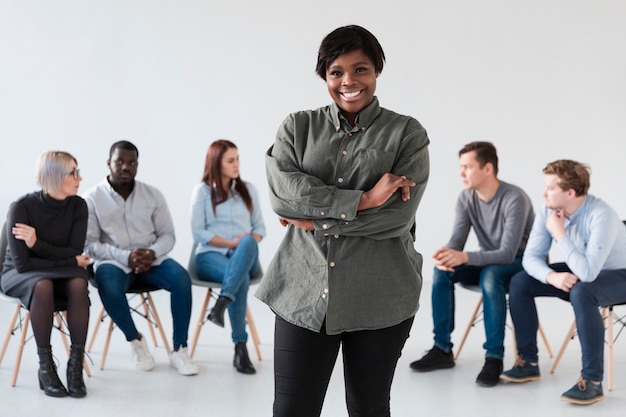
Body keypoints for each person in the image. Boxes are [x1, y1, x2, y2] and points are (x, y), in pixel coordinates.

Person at [255, 25, 429, 417]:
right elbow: (283, 196)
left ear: (377, 72)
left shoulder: (407, 134)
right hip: (301, 291)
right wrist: (365, 199)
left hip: (381, 297)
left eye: (360, 69)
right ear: (325, 76)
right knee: (291, 410)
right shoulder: (297, 127)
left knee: (369, 408)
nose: (349, 81)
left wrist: (313, 220)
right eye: (337, 72)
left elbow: (396, 219)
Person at [409, 141, 534, 387]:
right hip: (489, 261)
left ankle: (494, 357)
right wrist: (446, 255)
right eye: (461, 167)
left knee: (490, 275)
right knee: (442, 272)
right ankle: (442, 349)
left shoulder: (514, 198)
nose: (461, 173)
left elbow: (508, 253)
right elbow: (457, 242)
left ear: (488, 169)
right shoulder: (466, 198)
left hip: (520, 264)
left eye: (467, 167)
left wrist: (464, 257)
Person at [501, 159, 626, 405]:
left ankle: (591, 382)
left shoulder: (602, 215)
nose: (543, 192)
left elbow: (588, 273)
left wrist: (560, 234)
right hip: (584, 268)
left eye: (550, 188)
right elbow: (531, 258)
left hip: (620, 274)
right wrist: (551, 276)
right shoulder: (549, 208)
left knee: (582, 292)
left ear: (570, 193)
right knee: (520, 282)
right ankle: (528, 362)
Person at [83, 140, 198, 376]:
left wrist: (152, 252)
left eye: (131, 162)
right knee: (107, 283)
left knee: (181, 279)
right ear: (109, 163)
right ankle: (135, 340)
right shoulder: (92, 198)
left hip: (150, 260)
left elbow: (168, 235)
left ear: (137, 165)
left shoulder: (153, 195)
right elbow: (90, 244)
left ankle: (179, 349)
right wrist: (126, 257)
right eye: (119, 161)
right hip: (114, 262)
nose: (125, 166)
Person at [1, 151, 91, 398]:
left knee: (78, 283)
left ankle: (75, 365)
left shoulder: (79, 206)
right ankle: (46, 367)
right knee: (42, 285)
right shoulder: (21, 208)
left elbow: (75, 252)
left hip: (57, 271)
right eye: (73, 173)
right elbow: (23, 265)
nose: (79, 178)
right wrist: (69, 260)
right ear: (53, 176)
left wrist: (37, 245)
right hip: (19, 275)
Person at [190, 139, 266, 374]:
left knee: (247, 241)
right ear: (216, 163)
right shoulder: (202, 192)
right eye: (230, 160)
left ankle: (222, 303)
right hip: (210, 256)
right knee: (239, 277)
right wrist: (229, 243)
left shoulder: (248, 190)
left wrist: (242, 243)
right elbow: (198, 232)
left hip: (246, 256)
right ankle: (240, 347)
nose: (237, 164)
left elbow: (260, 230)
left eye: (238, 159)